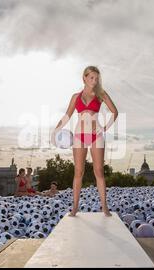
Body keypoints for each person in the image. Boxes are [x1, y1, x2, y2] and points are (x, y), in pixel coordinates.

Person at [51, 66, 118, 217]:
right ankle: (75, 207)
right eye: (91, 78)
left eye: (96, 78)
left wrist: (105, 128)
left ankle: (104, 207)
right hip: (79, 136)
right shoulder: (75, 96)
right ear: (84, 78)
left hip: (96, 136)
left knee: (99, 172)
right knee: (78, 172)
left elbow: (115, 112)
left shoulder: (101, 94)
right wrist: (55, 131)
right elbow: (67, 116)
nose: (94, 81)